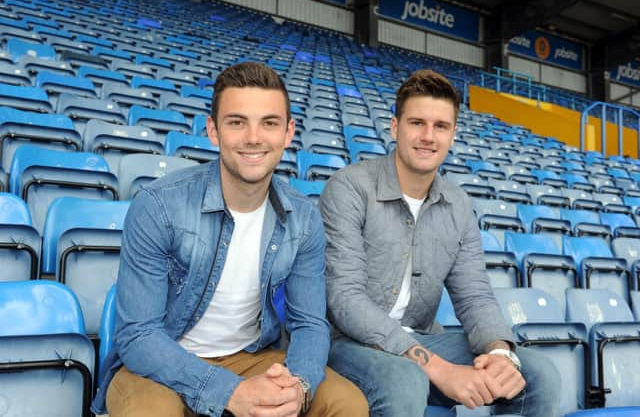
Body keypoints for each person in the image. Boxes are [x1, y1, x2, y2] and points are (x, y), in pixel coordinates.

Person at [92, 62, 368, 417]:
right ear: (213, 130)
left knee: (347, 403)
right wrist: (227, 390)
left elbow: (309, 324)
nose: (254, 137)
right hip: (161, 363)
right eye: (237, 122)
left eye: (269, 123)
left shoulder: (304, 218)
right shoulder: (159, 205)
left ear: (288, 133)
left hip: (251, 358)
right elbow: (139, 335)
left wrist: (298, 386)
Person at [319, 69, 561, 416]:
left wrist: (499, 354)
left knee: (538, 375)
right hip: (347, 342)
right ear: (395, 127)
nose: (428, 136)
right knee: (405, 380)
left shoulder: (458, 204)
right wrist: (437, 368)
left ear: (453, 134)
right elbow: (344, 300)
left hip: (422, 337)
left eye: (441, 126)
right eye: (417, 123)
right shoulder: (350, 187)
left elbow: (475, 295)